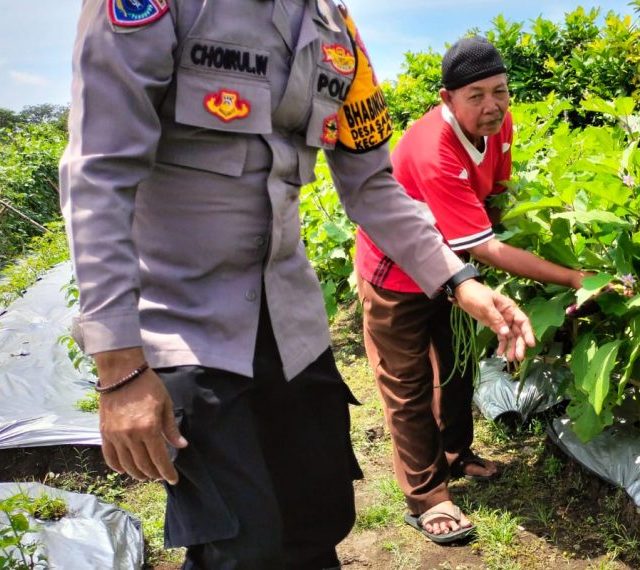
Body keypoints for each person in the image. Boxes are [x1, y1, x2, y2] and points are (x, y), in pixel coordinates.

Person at [59, 2, 535, 569]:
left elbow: (372, 186)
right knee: (241, 549)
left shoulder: (336, 28)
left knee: (319, 518)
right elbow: (100, 175)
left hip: (294, 328)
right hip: (187, 332)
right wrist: (120, 368)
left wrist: (459, 281)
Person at [354, 36, 590, 544]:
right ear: (447, 99)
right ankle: (427, 498)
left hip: (453, 268)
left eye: (500, 91)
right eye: (476, 95)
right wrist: (573, 277)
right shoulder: (432, 150)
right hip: (395, 275)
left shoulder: (498, 125)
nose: (492, 106)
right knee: (408, 383)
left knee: (458, 364)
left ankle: (455, 454)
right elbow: (484, 247)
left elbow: (496, 196)